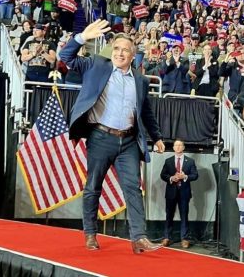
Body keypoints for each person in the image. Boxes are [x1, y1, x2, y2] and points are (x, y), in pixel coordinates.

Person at [58, 19, 166, 253]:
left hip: (128, 141)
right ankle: (90, 233)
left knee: (133, 188)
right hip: (100, 137)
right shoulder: (96, 65)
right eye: (116, 48)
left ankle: (139, 238)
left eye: (125, 50)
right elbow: (65, 58)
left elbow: (145, 111)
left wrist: (156, 137)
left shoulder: (140, 80)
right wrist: (81, 38)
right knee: (93, 187)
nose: (120, 53)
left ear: (133, 54)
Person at [159, 140, 198, 249]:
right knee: (169, 215)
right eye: (176, 145)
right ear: (173, 147)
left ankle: (184, 239)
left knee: (184, 216)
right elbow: (163, 175)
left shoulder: (190, 161)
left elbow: (195, 175)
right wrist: (172, 178)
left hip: (184, 192)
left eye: (180, 145)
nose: (178, 147)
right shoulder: (168, 161)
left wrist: (185, 177)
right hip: (171, 192)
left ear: (183, 147)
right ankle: (167, 237)